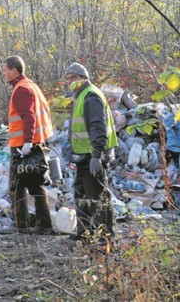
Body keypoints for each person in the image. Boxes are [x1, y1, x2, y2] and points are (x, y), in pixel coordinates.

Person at [64, 62, 118, 244]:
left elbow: (98, 128)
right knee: (81, 194)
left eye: (73, 78)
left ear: (83, 78)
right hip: (82, 157)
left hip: (92, 157)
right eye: (67, 79)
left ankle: (106, 237)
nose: (69, 82)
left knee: (98, 198)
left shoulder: (91, 96)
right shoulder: (81, 95)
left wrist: (96, 156)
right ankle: (84, 231)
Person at [2, 56, 54, 234]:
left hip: (23, 146)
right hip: (36, 143)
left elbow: (29, 116)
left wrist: (27, 142)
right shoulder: (31, 85)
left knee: (16, 186)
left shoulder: (21, 90)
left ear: (13, 71)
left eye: (5, 70)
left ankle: (21, 225)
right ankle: (44, 225)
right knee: (36, 184)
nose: (4, 74)